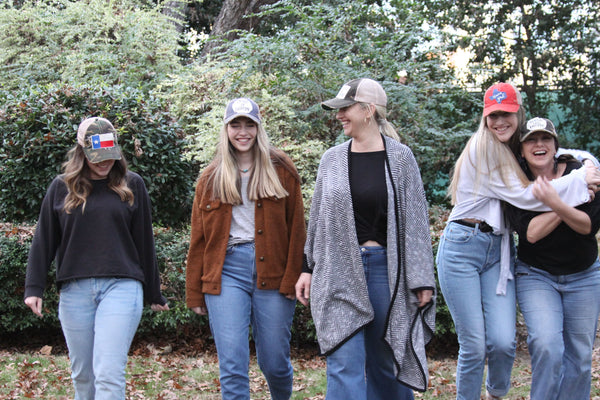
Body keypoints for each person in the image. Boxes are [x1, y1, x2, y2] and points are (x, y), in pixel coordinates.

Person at [435, 83, 600, 400]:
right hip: (463, 247)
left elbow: (559, 151)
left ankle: (495, 394)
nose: (500, 122)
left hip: (498, 250)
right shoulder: (484, 151)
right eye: (493, 115)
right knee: (474, 344)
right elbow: (527, 197)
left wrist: (589, 162)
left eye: (506, 114)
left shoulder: (510, 147)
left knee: (504, 342)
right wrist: (581, 181)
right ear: (485, 118)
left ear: (517, 114)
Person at [295, 78, 436, 400]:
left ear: (368, 110)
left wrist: (421, 278)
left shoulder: (400, 159)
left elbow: (415, 220)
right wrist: (307, 268)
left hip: (387, 273)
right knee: (343, 362)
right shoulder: (332, 159)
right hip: (337, 271)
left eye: (345, 108)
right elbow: (317, 217)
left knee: (387, 365)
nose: (339, 115)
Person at [24, 116, 169, 399]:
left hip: (122, 287)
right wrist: (34, 287)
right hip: (74, 291)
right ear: (81, 152)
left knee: (108, 374)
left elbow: (144, 241)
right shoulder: (61, 187)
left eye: (110, 156)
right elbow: (44, 239)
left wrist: (154, 292)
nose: (104, 163)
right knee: (83, 376)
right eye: (96, 157)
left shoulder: (132, 185)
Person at [185, 98, 306, 400]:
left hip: (274, 273)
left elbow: (298, 229)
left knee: (274, 362)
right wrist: (195, 291)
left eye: (249, 125)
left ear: (258, 128)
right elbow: (199, 240)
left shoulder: (281, 169)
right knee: (232, 362)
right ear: (226, 129)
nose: (242, 132)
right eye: (235, 125)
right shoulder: (210, 177)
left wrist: (294, 276)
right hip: (226, 272)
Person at [504, 117, 600, 400]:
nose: (539, 145)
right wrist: (571, 197)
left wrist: (555, 200)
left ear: (555, 146)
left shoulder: (581, 171)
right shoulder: (517, 183)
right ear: (521, 150)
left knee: (580, 356)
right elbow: (532, 233)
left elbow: (587, 226)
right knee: (546, 345)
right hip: (537, 275)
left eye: (545, 139)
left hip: (584, 274)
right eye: (531, 140)